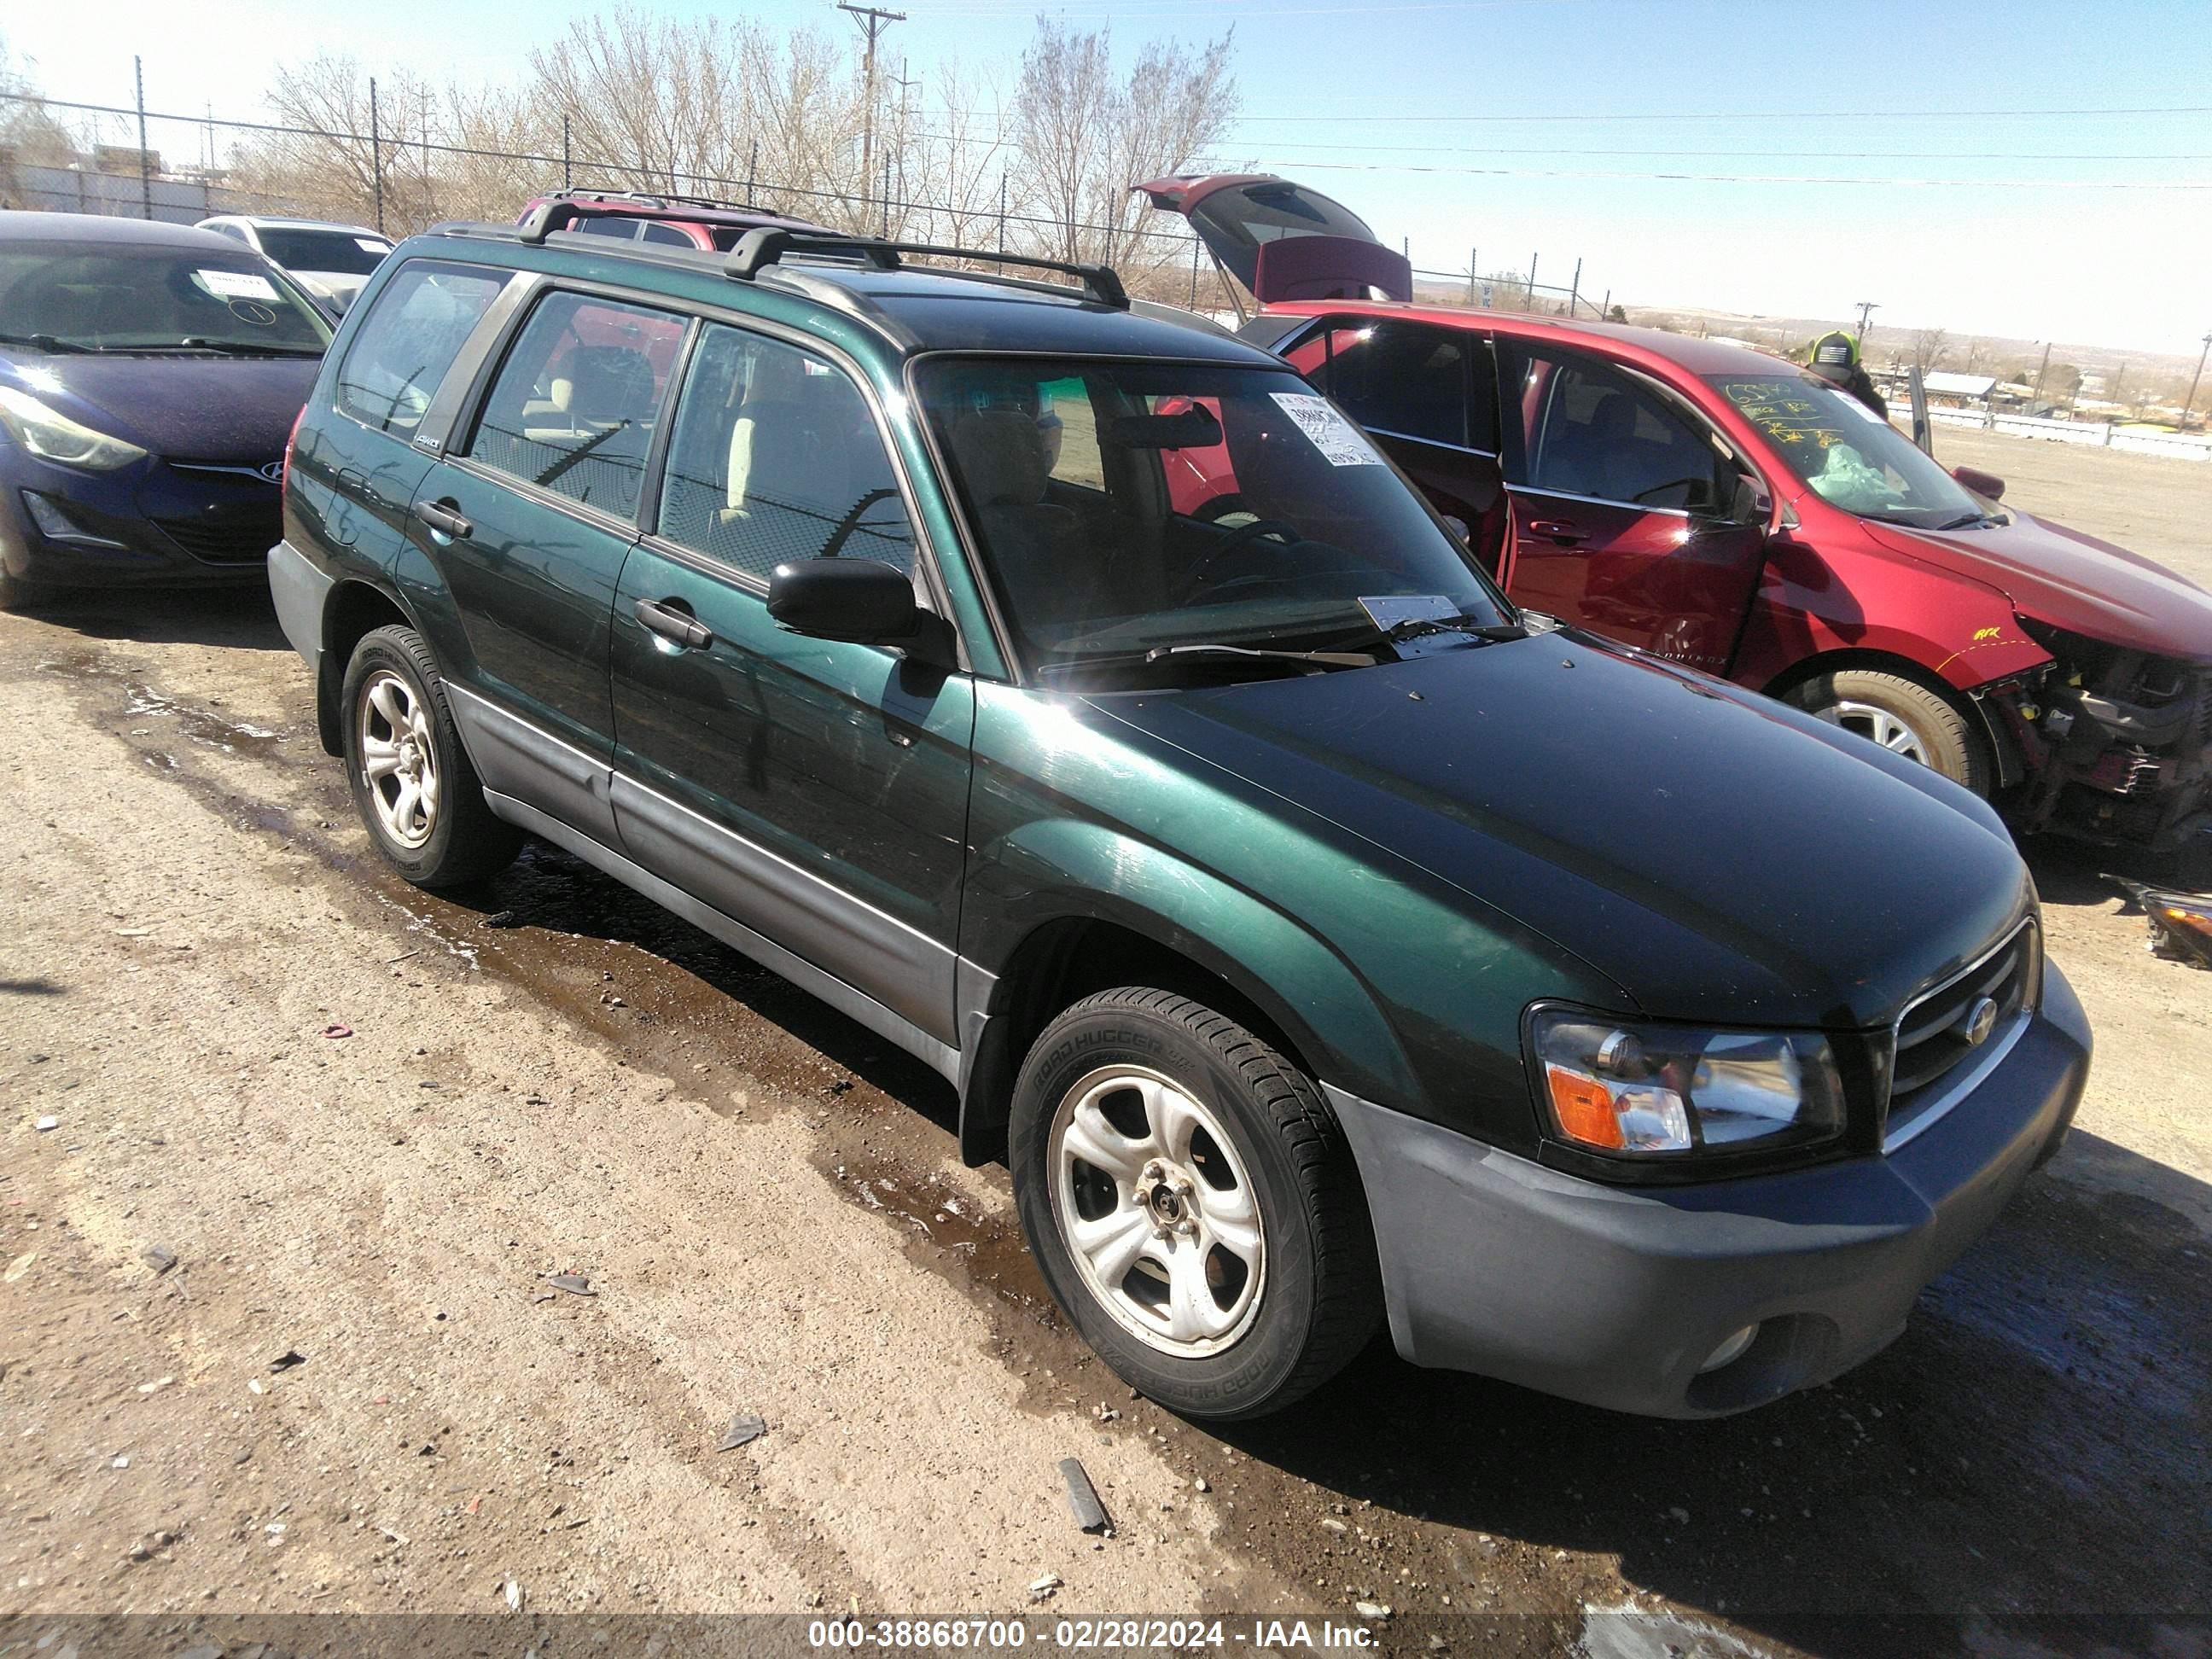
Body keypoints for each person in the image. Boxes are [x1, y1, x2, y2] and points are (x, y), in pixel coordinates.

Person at [1807, 329, 1889, 418]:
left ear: (1856, 369)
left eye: (1837, 379)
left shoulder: (1872, 406)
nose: (1829, 382)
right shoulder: (1797, 392)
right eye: (1821, 376)